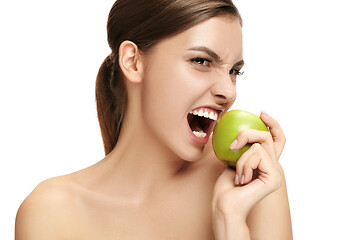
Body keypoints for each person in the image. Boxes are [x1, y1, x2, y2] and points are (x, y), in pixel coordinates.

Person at [15, 0, 292, 239]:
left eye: (234, 71)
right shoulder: (51, 212)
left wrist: (230, 223)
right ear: (133, 61)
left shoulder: (255, 183)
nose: (229, 91)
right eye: (201, 61)